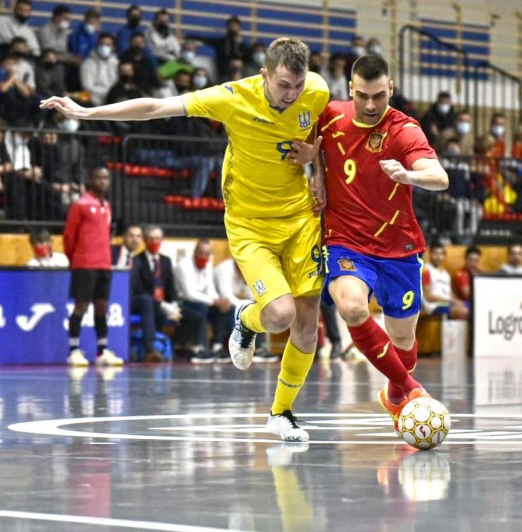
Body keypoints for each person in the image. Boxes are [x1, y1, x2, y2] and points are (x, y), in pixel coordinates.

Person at [41, 37, 328, 442]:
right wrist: (87, 112)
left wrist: (316, 166)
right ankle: (246, 319)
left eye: (297, 86)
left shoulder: (316, 90)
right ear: (264, 74)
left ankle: (281, 412)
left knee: (308, 316)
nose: (291, 95)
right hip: (250, 223)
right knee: (280, 315)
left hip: (300, 217)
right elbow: (156, 108)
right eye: (283, 85)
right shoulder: (231, 97)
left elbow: (325, 133)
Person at [315, 55, 448, 433]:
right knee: (352, 307)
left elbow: (439, 177)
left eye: (378, 96)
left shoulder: (403, 129)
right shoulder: (329, 115)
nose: (371, 105)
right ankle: (412, 391)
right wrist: (315, 172)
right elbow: (307, 145)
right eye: (362, 96)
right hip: (346, 242)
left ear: (390, 89)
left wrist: (408, 174)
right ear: (349, 90)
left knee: (403, 337)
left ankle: (394, 395)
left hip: (399, 248)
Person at [63, 167, 123, 367]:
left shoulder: (106, 206)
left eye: (106, 178)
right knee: (81, 305)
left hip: (104, 264)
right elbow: (69, 236)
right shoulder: (80, 204)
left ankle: (102, 350)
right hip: (85, 263)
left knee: (102, 307)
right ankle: (73, 350)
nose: (103, 181)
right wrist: (76, 258)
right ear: (91, 180)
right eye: (99, 177)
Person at [130, 225, 184, 363]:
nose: (155, 242)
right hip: (147, 302)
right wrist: (161, 304)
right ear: (146, 240)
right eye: (151, 239)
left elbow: (171, 286)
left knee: (192, 313)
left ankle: (178, 350)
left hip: (165, 302)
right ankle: (151, 349)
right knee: (152, 307)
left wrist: (174, 303)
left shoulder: (166, 260)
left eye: (158, 239)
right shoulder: (137, 260)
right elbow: (138, 288)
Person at [174, 238, 233, 362]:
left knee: (224, 309)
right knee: (202, 307)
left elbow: (210, 289)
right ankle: (198, 348)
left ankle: (216, 347)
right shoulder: (183, 266)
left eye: (207, 254)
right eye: (201, 253)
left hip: (202, 302)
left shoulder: (208, 266)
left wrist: (220, 301)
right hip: (182, 303)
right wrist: (213, 301)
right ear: (195, 252)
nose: (203, 256)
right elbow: (189, 294)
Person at [421, 243, 468, 319]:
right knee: (464, 312)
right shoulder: (426, 271)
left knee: (470, 307)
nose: (438, 257)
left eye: (441, 254)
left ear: (444, 256)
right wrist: (450, 300)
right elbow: (428, 296)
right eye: (435, 253)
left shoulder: (445, 274)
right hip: (433, 306)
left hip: (447, 303)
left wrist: (457, 302)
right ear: (430, 254)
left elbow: (450, 294)